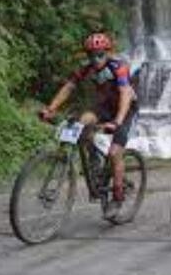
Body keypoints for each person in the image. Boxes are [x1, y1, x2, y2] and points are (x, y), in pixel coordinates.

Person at [40, 32, 139, 218]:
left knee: (115, 153)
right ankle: (96, 163)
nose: (96, 59)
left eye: (100, 55)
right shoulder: (86, 69)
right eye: (91, 55)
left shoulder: (119, 67)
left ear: (108, 53)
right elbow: (68, 87)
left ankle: (117, 197)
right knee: (81, 122)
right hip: (104, 107)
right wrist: (50, 109)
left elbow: (125, 93)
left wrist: (117, 121)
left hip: (126, 110)